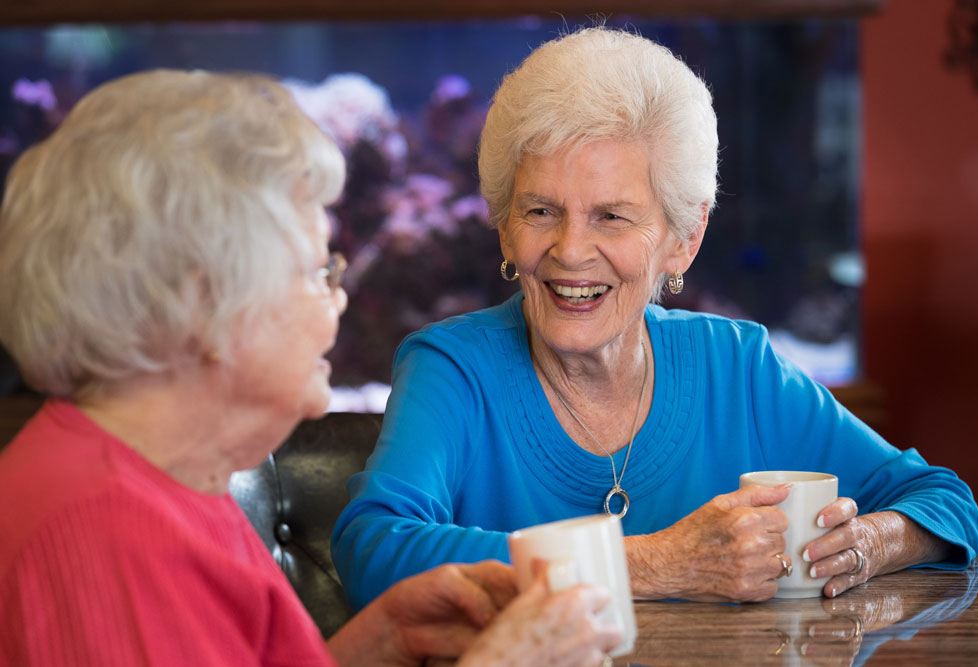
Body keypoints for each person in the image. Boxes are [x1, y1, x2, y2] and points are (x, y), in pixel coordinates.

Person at [332, 27, 978, 610]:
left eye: (610, 216)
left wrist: (867, 541)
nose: (569, 250)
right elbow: (374, 550)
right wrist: (656, 561)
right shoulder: (453, 368)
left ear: (684, 238)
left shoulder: (736, 366)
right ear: (505, 230)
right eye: (539, 211)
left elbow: (945, 501)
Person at [0, 69, 621, 666]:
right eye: (320, 270)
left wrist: (376, 645)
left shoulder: (173, 478)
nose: (340, 297)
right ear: (206, 308)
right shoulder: (107, 534)